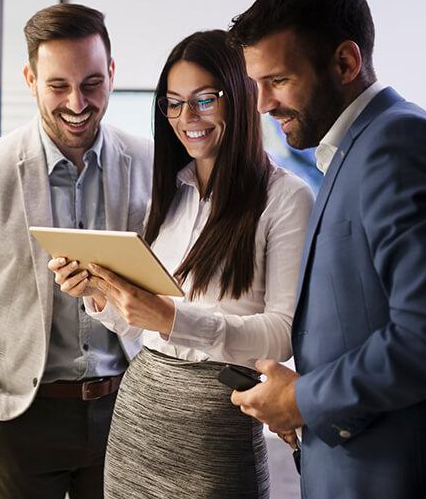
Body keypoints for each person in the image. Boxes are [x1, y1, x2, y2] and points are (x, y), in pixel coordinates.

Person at [227, 0, 426, 499]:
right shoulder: (354, 150)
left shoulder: (401, 143)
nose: (262, 105)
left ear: (345, 62)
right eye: (256, 85)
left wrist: (304, 399)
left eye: (277, 81)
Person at [49, 29, 314, 499]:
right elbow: (137, 326)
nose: (185, 118)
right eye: (172, 103)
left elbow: (282, 334)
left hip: (217, 423)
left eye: (203, 100)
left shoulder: (286, 197)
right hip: (140, 414)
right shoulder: (171, 190)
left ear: (240, 97)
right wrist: (98, 293)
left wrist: (173, 319)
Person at [0, 3, 153, 499]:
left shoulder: (149, 162)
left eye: (93, 83)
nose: (77, 102)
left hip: (128, 409)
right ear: (30, 78)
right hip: (23, 420)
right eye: (58, 86)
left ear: (112, 74)